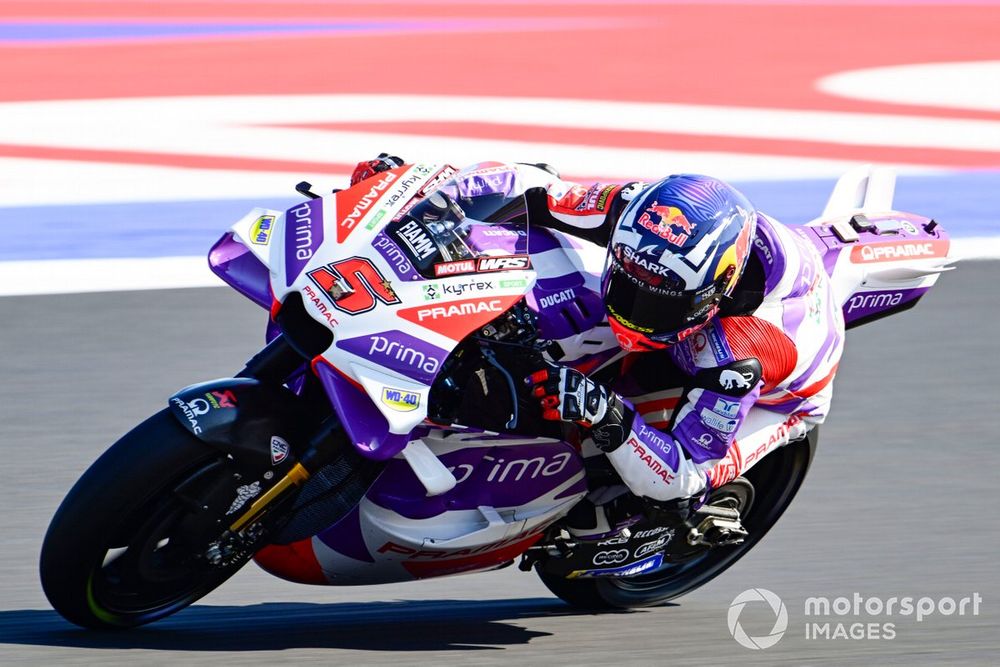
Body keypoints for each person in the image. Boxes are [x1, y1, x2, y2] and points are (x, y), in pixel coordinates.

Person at [351, 155, 845, 538]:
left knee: (674, 488)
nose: (634, 312)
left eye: (658, 302)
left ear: (716, 292)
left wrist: (604, 411)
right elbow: (526, 183)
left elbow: (682, 472)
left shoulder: (743, 353)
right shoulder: (638, 212)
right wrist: (422, 199)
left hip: (782, 399)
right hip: (691, 328)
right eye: (630, 285)